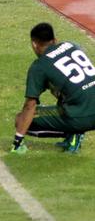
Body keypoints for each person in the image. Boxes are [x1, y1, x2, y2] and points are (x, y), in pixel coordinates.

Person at [9, 23, 95, 155]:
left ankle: (75, 132)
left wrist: (17, 141)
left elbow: (29, 106)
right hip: (86, 104)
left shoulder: (39, 66)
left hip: (82, 116)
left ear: (34, 44)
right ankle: (73, 135)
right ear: (55, 40)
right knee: (63, 89)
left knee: (21, 119)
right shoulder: (72, 45)